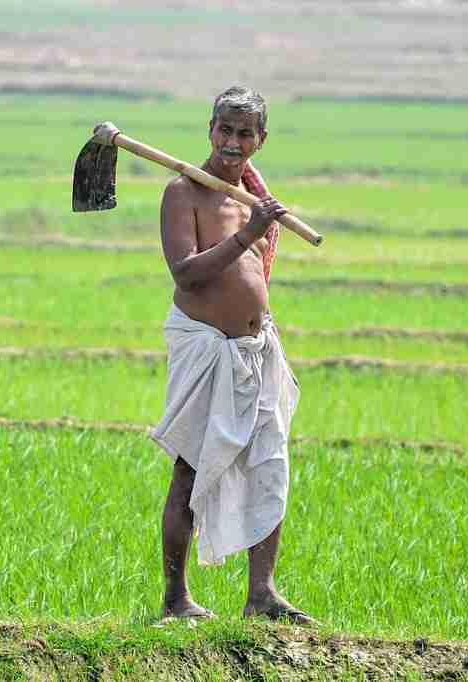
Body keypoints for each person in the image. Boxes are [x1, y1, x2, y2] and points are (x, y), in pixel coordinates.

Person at [150, 86, 313, 624]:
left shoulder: (254, 198)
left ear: (260, 140)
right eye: (226, 129)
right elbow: (187, 272)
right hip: (206, 348)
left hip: (256, 348)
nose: (234, 141)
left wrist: (256, 223)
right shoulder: (184, 193)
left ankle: (261, 595)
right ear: (210, 129)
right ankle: (177, 600)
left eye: (246, 132)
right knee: (191, 471)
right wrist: (249, 232)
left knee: (270, 466)